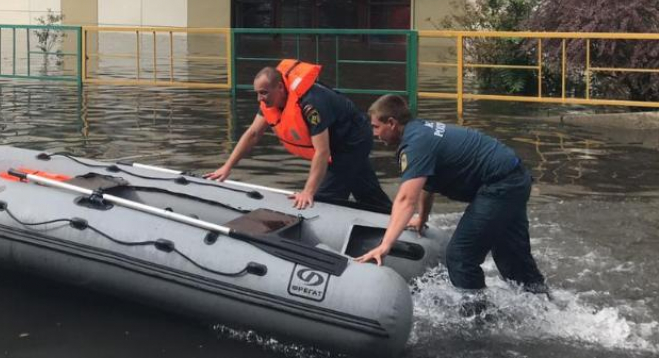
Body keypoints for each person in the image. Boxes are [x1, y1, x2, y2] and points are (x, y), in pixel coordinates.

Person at [356, 94, 546, 297]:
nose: (375, 133)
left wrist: (385, 245)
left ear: (392, 123)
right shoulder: (420, 131)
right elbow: (428, 184)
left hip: (501, 185)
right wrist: (423, 217)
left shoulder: (416, 144)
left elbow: (405, 199)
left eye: (376, 127)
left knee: (460, 256)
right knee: (511, 255)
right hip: (514, 177)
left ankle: (477, 318)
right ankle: (542, 301)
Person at [205, 60, 393, 212]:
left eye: (263, 93)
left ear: (279, 87)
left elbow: (322, 151)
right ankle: (390, 216)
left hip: (353, 139)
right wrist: (227, 167)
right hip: (338, 139)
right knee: (365, 189)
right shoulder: (271, 103)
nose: (259, 99)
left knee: (326, 195)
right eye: (257, 94)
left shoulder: (310, 105)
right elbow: (253, 133)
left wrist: (308, 192)